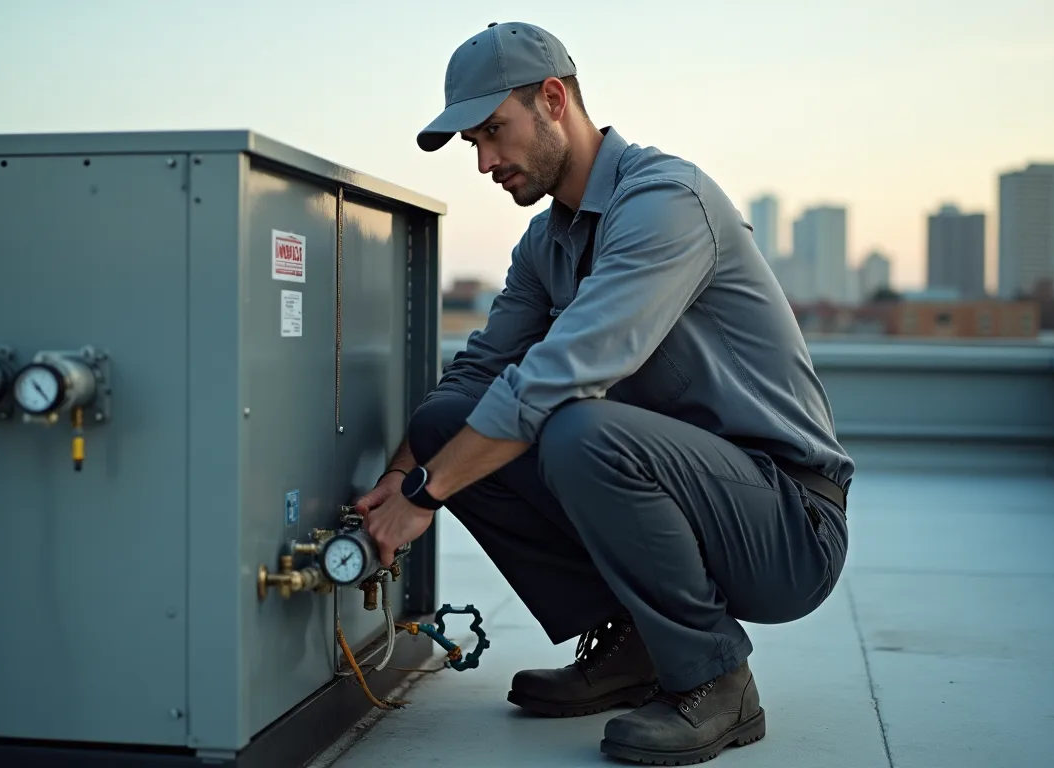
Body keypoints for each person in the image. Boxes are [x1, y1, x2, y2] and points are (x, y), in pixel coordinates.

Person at [354, 20, 853, 766]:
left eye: (494, 131)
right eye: (472, 144)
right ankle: (636, 648)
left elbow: (564, 372)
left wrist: (425, 497)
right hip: (678, 491)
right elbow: (477, 374)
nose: (485, 161)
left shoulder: (666, 201)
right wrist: (404, 472)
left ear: (554, 100)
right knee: (445, 422)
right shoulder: (545, 244)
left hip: (787, 522)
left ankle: (715, 679)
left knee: (574, 428)